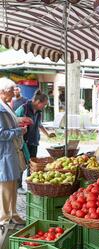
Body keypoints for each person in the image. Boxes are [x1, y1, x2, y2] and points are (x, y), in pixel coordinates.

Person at [0, 77, 29, 226]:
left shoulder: (6, 106)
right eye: (11, 90)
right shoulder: (0, 108)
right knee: (5, 186)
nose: (14, 92)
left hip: (10, 152)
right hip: (4, 153)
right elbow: (1, 133)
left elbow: (9, 123)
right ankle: (4, 219)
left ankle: (14, 214)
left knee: (13, 185)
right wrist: (18, 131)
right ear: (3, 92)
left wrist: (19, 121)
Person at [15, 90, 56, 161]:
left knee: (33, 163)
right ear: (38, 102)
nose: (45, 107)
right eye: (44, 104)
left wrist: (47, 134)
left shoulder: (38, 111)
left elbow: (39, 124)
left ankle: (30, 172)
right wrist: (21, 119)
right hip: (23, 141)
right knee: (22, 163)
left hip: (34, 141)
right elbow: (13, 120)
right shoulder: (23, 109)